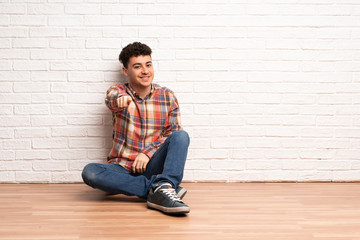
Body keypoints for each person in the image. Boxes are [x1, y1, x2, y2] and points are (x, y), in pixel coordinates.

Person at [81, 42, 190, 215]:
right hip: (122, 167)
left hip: (152, 165)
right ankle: (161, 188)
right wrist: (120, 100)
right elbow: (112, 97)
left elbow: (173, 132)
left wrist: (147, 153)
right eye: (137, 67)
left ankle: (161, 185)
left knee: (181, 136)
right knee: (90, 172)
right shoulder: (118, 91)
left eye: (148, 65)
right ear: (126, 71)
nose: (145, 71)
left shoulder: (167, 96)